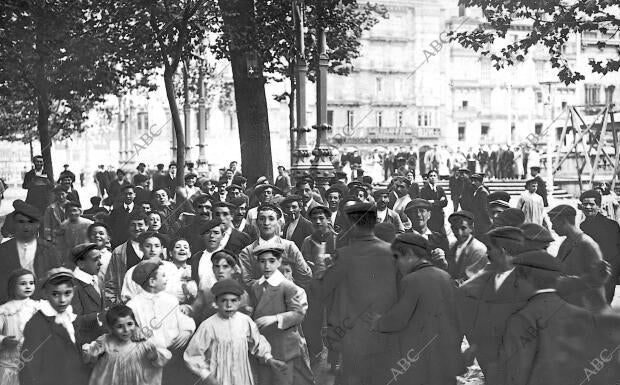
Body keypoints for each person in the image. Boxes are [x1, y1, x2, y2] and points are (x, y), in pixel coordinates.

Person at [493, 251, 618, 385]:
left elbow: (515, 374)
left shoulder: (521, 320)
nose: (515, 284)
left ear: (529, 279)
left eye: (517, 278)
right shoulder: (584, 316)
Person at [315, 202, 399, 385]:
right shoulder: (392, 252)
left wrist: (320, 263)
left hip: (352, 336)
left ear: (353, 224)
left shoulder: (344, 255)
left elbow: (321, 291)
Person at [372, 233, 462, 385]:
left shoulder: (411, 280)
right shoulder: (445, 276)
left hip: (420, 359)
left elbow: (398, 320)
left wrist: (378, 322)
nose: (396, 263)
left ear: (409, 254)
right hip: (445, 356)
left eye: (397, 257)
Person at [457, 226, 529, 380]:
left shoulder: (526, 283)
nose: (487, 253)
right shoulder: (489, 279)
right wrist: (475, 348)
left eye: (490, 248)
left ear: (502, 250)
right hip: (491, 361)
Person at [184, 278, 285, 385]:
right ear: (216, 302)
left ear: (239, 301)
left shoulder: (245, 321)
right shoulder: (208, 326)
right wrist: (206, 375)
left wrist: (269, 358)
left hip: (241, 377)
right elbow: (192, 355)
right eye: (223, 300)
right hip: (217, 378)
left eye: (233, 300)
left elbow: (257, 343)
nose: (229, 305)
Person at [250, 245, 314, 385]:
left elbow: (299, 314)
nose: (267, 266)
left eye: (272, 261)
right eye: (262, 261)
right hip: (263, 346)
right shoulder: (256, 286)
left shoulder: (287, 286)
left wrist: (275, 318)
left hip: (284, 348)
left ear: (279, 262)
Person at [126, 259, 196, 385]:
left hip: (174, 353)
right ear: (152, 282)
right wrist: (135, 330)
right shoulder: (133, 305)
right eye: (163, 276)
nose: (166, 279)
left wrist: (186, 330)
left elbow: (182, 319)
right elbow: (129, 329)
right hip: (147, 358)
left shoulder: (170, 300)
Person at [19, 268, 90, 385]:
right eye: (55, 294)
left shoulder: (69, 317)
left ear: (74, 291)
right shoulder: (37, 324)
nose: (62, 300)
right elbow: (28, 369)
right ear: (45, 293)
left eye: (67, 293)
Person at [82, 305, 171, 385]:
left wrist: (154, 356)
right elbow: (90, 354)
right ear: (111, 328)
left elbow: (161, 358)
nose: (126, 330)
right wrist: (91, 351)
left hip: (138, 380)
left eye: (129, 324)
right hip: (112, 379)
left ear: (135, 324)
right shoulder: (106, 340)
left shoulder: (142, 340)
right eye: (119, 326)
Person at [0, 200, 62, 304]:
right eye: (21, 222)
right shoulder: (3, 250)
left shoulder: (49, 250)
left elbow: (57, 280)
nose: (26, 227)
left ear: (38, 224)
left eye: (30, 222)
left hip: (41, 304)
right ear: (15, 224)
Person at [548, 205, 608, 312]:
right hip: (572, 305)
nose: (552, 228)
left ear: (564, 221)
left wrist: (567, 282)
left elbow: (597, 279)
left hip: (587, 308)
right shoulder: (566, 243)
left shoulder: (587, 244)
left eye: (553, 223)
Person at [239, 204, 312, 290]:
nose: (266, 223)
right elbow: (246, 281)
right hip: (260, 300)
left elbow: (305, 275)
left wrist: (290, 287)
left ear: (278, 222)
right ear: (256, 222)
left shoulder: (289, 247)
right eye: (262, 219)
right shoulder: (248, 252)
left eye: (271, 219)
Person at [579, 190, 620, 303]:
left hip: (608, 272)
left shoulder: (612, 225)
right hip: (589, 273)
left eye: (591, 204)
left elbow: (616, 250)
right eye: (585, 204)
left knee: (603, 303)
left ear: (599, 206)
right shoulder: (582, 226)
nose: (588, 207)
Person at [0, 269, 39, 385]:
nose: (28, 287)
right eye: (23, 283)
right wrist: (4, 340)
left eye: (31, 283)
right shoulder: (4, 310)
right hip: (10, 365)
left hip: (35, 363)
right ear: (13, 286)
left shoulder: (38, 307)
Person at [103, 211, 148, 305]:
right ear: (128, 228)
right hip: (126, 305)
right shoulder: (118, 252)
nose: (137, 228)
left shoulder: (157, 250)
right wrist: (114, 304)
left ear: (147, 226)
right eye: (133, 225)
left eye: (140, 225)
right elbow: (110, 283)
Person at [70, 243, 106, 345]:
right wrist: (99, 317)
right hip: (84, 344)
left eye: (100, 258)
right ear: (81, 264)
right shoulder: (73, 286)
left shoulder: (95, 278)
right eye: (95, 259)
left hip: (100, 340)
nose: (101, 263)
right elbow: (74, 320)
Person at [403, 199, 449, 270]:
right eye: (414, 212)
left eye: (422, 211)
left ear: (429, 215)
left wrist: (443, 261)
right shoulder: (403, 239)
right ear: (409, 216)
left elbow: (450, 270)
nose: (418, 215)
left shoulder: (440, 239)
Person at [446, 211, 488, 282]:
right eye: (455, 229)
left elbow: (471, 277)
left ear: (471, 228)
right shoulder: (452, 245)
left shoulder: (478, 249)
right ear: (452, 228)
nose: (459, 233)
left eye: (463, 228)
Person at [190, 219, 225, 294]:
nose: (212, 236)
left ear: (223, 236)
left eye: (216, 233)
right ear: (202, 236)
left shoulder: (228, 256)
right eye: (208, 232)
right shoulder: (197, 257)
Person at [57, 201, 94, 265]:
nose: (72, 213)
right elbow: (61, 244)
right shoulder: (63, 225)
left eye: (74, 210)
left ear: (79, 211)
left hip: (86, 254)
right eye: (69, 211)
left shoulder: (88, 223)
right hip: (71, 257)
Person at [105, 184, 137, 248]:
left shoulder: (140, 211)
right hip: (118, 246)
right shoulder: (115, 212)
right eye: (125, 194)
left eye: (130, 194)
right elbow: (111, 229)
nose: (128, 196)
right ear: (122, 195)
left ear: (135, 195)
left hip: (135, 245)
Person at [419, 169, 448, 234]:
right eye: (431, 176)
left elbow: (445, 202)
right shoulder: (424, 190)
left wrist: (433, 201)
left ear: (437, 178)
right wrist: (439, 202)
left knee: (442, 236)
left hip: (440, 216)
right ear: (428, 178)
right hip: (430, 217)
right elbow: (424, 203)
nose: (433, 177)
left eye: (434, 176)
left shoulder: (440, 189)